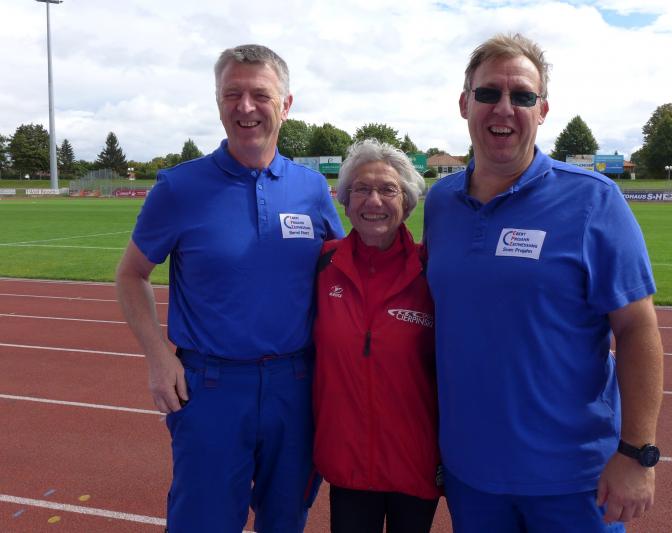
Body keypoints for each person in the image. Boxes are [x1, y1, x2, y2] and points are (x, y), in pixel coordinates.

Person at [423, 33, 664, 532]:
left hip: (574, 479)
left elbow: (638, 328)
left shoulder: (594, 200)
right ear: (465, 104)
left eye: (522, 96)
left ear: (543, 109)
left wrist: (638, 452)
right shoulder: (441, 203)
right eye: (488, 93)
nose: (503, 108)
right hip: (472, 475)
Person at [115, 44, 344, 533]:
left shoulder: (312, 189)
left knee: (286, 521)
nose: (245, 107)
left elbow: (342, 274)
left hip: (296, 387)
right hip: (211, 388)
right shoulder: (178, 188)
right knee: (204, 521)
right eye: (231, 94)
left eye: (260, 94)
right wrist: (158, 357)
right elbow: (131, 274)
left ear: (286, 105)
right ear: (218, 101)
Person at [313, 139, 440, 533]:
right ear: (345, 201)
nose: (373, 201)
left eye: (388, 189)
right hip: (348, 463)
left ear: (407, 202)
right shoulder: (322, 264)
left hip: (416, 463)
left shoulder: (432, 270)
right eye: (361, 189)